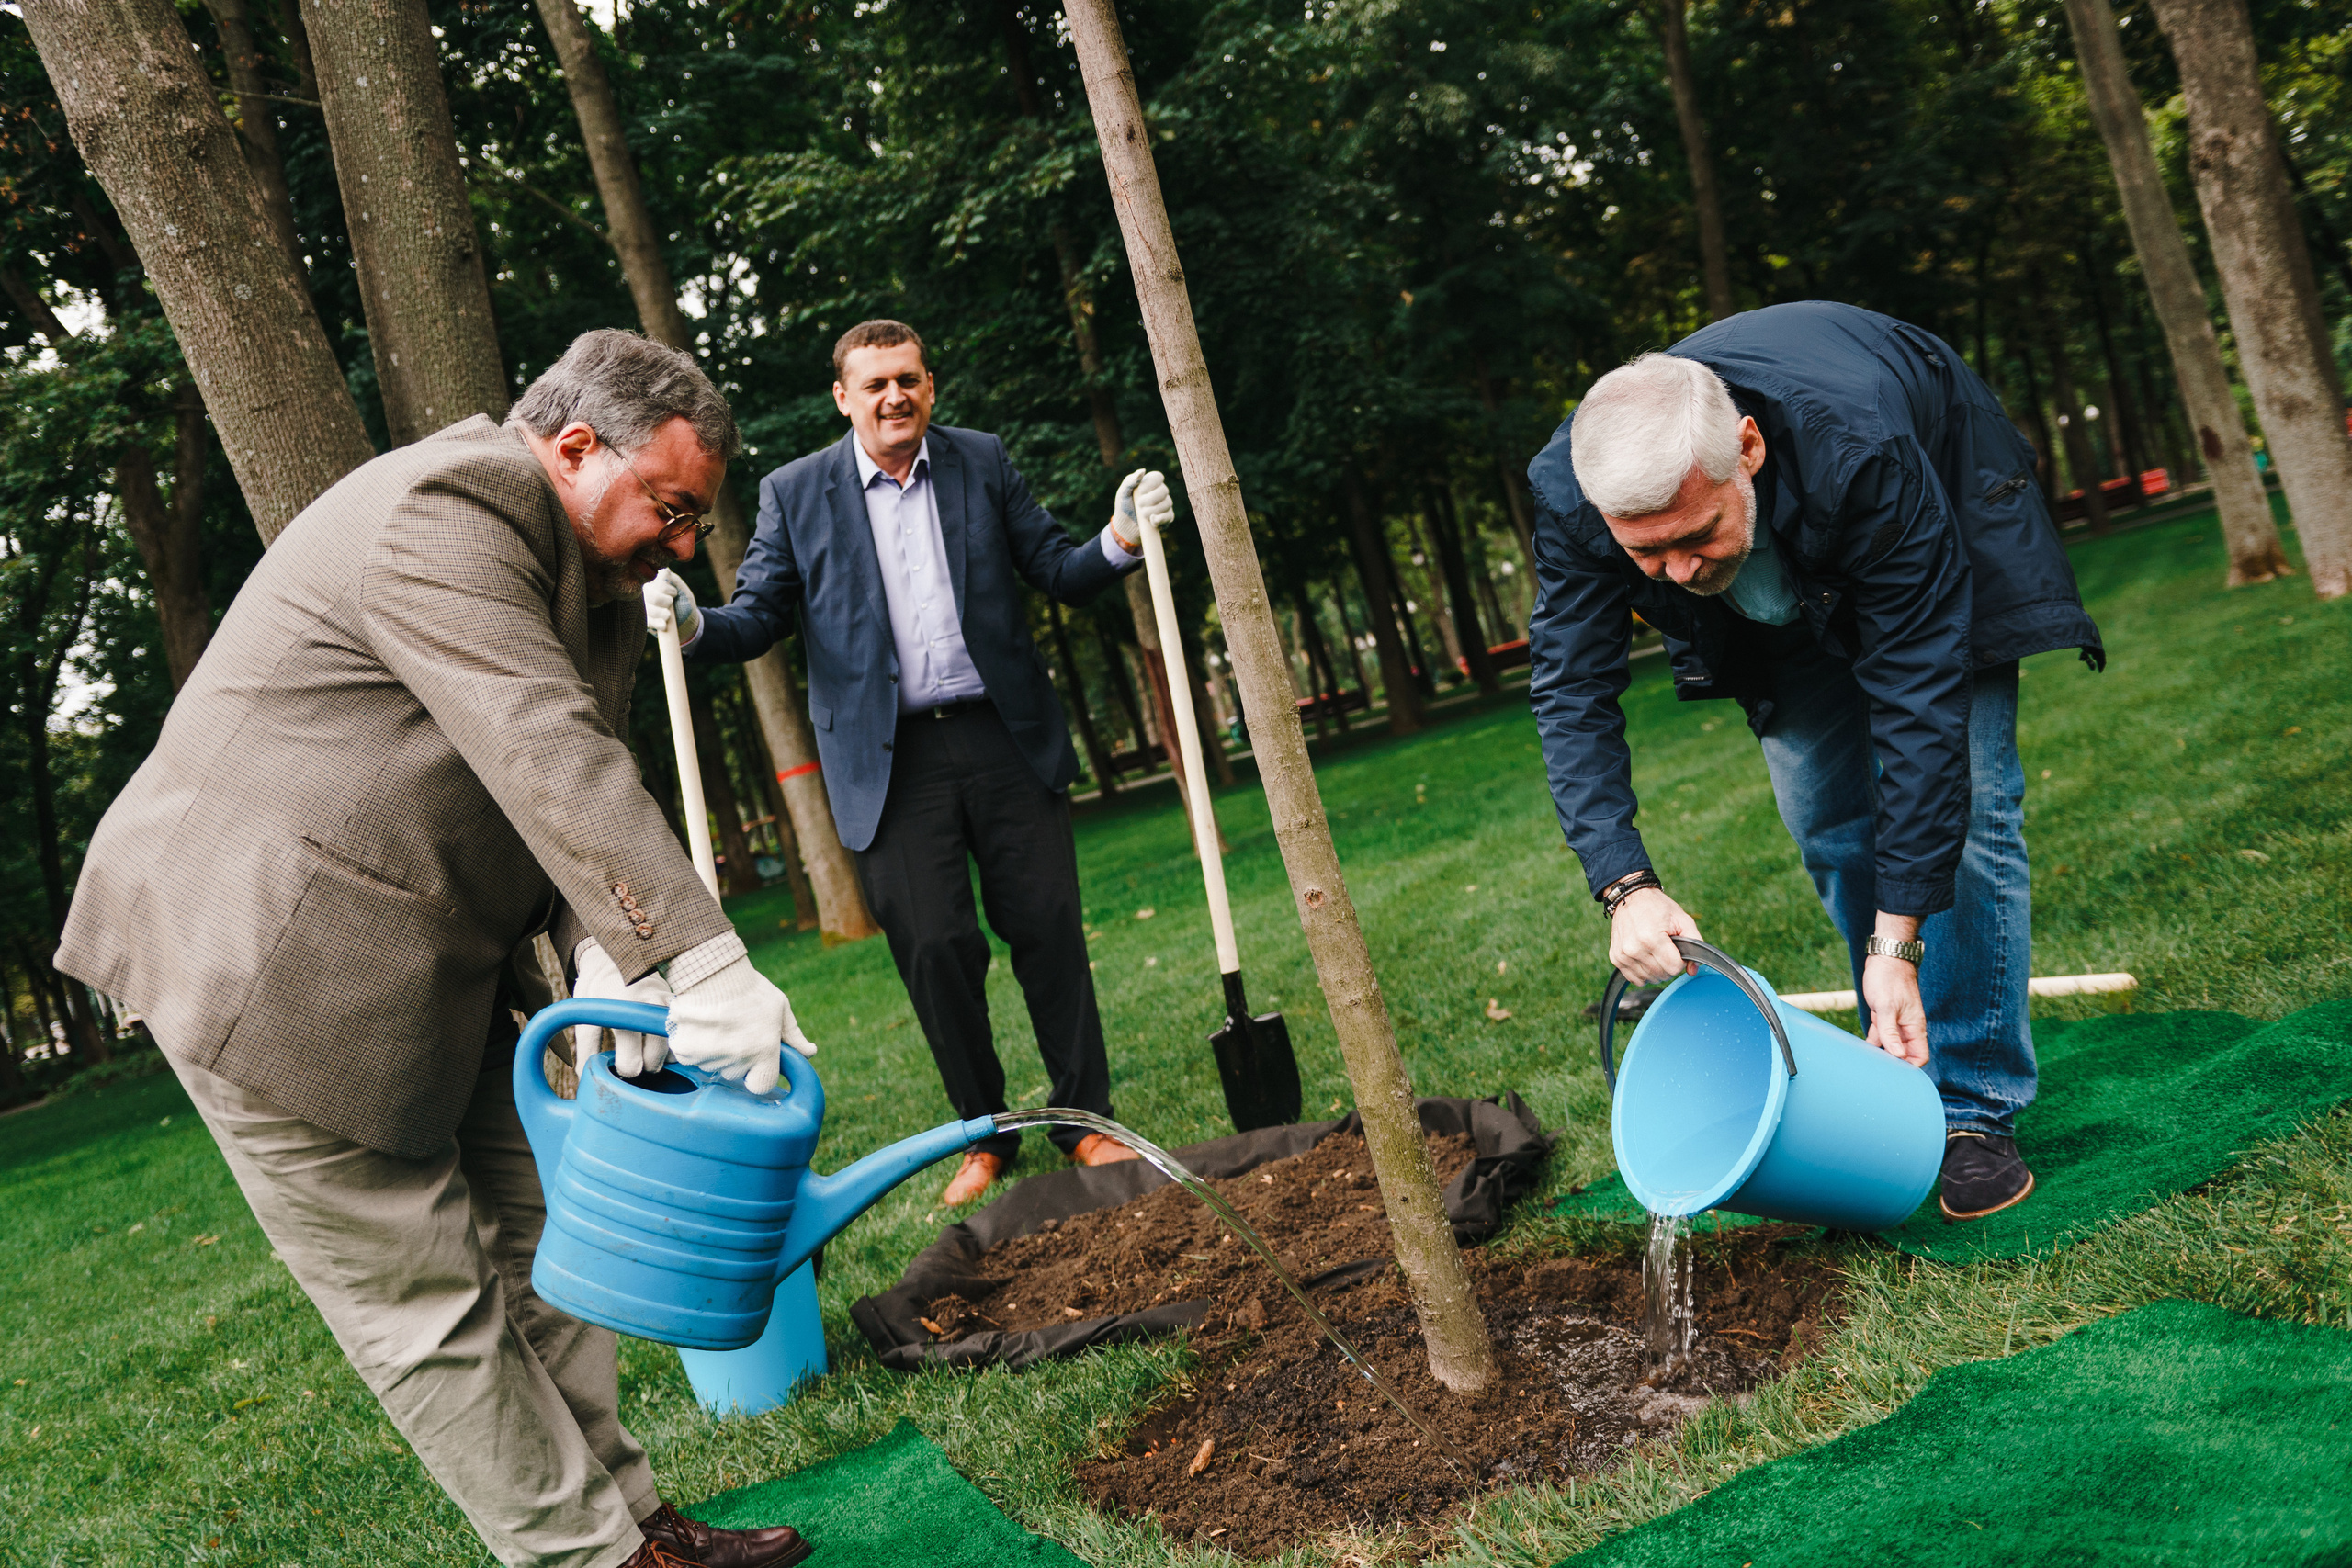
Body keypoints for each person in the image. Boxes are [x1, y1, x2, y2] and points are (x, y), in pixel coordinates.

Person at [58, 331, 816, 1568]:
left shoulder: (601, 579)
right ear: (575, 447)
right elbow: (536, 744)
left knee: (548, 1244)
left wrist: (614, 962)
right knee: (427, 1304)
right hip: (269, 964)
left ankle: (639, 1522)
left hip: (430, 958)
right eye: (674, 507)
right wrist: (704, 959)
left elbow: (585, 785)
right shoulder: (448, 508)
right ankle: (594, 1560)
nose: (689, 544)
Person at [1525, 301, 2104, 1221]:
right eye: (1647, 552)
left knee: (1971, 813)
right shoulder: (1572, 497)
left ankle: (1969, 1108)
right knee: (1828, 816)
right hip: (1781, 580)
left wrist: (1898, 935)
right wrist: (1622, 882)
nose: (1672, 573)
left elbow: (1920, 707)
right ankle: (1892, 1058)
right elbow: (1570, 689)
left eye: (1693, 536)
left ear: (1744, 449)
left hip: (1927, 509)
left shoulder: (1861, 448)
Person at [650, 318, 1168, 1207]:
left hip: (1004, 735)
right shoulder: (795, 492)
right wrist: (693, 621)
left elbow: (1055, 567)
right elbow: (757, 616)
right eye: (875, 384)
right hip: (889, 763)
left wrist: (1120, 537)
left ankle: (1085, 1120)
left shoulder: (980, 460)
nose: (894, 397)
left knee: (1047, 928)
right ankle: (985, 1132)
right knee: (934, 950)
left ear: (929, 387)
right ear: (844, 399)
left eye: (908, 380)